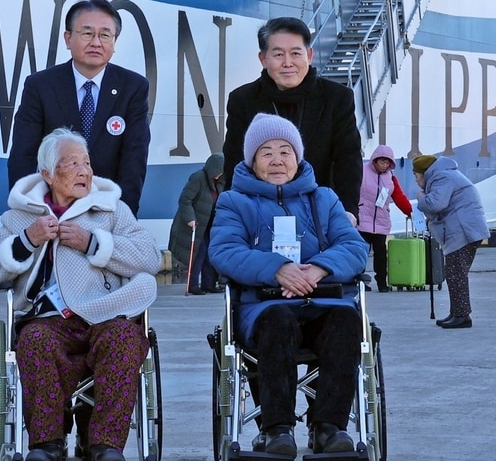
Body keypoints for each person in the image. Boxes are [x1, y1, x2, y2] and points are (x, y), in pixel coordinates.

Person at [0, 128, 161, 461]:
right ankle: (47, 444)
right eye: (71, 163)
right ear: (47, 174)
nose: (84, 171)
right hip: (47, 321)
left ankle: (104, 446)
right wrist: (27, 240)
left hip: (104, 314)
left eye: (87, 163)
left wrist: (93, 242)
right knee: (34, 340)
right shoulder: (20, 217)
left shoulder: (110, 211)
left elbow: (149, 257)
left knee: (124, 340)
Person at [209, 115, 369, 457]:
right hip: (265, 306)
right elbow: (224, 250)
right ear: (252, 161)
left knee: (347, 324)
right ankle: (277, 429)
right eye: (266, 153)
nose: (277, 160)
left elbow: (354, 247)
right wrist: (277, 269)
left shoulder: (323, 199)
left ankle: (329, 427)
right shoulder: (234, 202)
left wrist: (319, 270)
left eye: (285, 151)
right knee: (278, 323)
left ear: (298, 158)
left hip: (326, 302)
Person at [8, 0, 151, 215]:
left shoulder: (133, 88)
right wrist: (28, 209)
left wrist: (123, 216)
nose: (96, 42)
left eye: (105, 35)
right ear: (68, 38)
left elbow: (134, 161)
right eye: (87, 33)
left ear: (114, 42)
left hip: (106, 210)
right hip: (51, 211)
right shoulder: (41, 85)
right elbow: (23, 155)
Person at [222, 17, 363, 217]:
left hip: (319, 214)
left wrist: (347, 211)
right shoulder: (243, 100)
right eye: (278, 54)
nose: (288, 63)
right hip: (259, 215)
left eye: (296, 53)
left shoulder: (337, 98)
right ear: (263, 59)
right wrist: (232, 212)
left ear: (310, 55)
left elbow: (348, 160)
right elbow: (235, 162)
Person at [413, 154, 487, 329]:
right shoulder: (445, 175)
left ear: (425, 173)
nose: (416, 181)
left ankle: (462, 316)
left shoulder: (442, 177)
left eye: (416, 176)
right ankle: (457, 312)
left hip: (463, 230)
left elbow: (434, 205)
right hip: (463, 228)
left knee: (456, 274)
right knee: (454, 273)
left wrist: (421, 197)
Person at [357, 145, 413, 292]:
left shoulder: (390, 177)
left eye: (388, 163)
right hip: (362, 220)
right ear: (374, 161)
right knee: (361, 252)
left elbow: (398, 196)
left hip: (381, 222)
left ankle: (382, 282)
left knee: (381, 255)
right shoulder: (361, 171)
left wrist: (409, 210)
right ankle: (359, 282)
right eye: (382, 162)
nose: (385, 165)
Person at [169, 152, 225, 294]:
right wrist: (190, 218)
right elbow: (185, 200)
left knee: (209, 254)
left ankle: (209, 284)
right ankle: (193, 285)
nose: (220, 175)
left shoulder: (218, 182)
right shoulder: (198, 178)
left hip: (209, 225)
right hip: (195, 225)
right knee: (197, 254)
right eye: (218, 171)